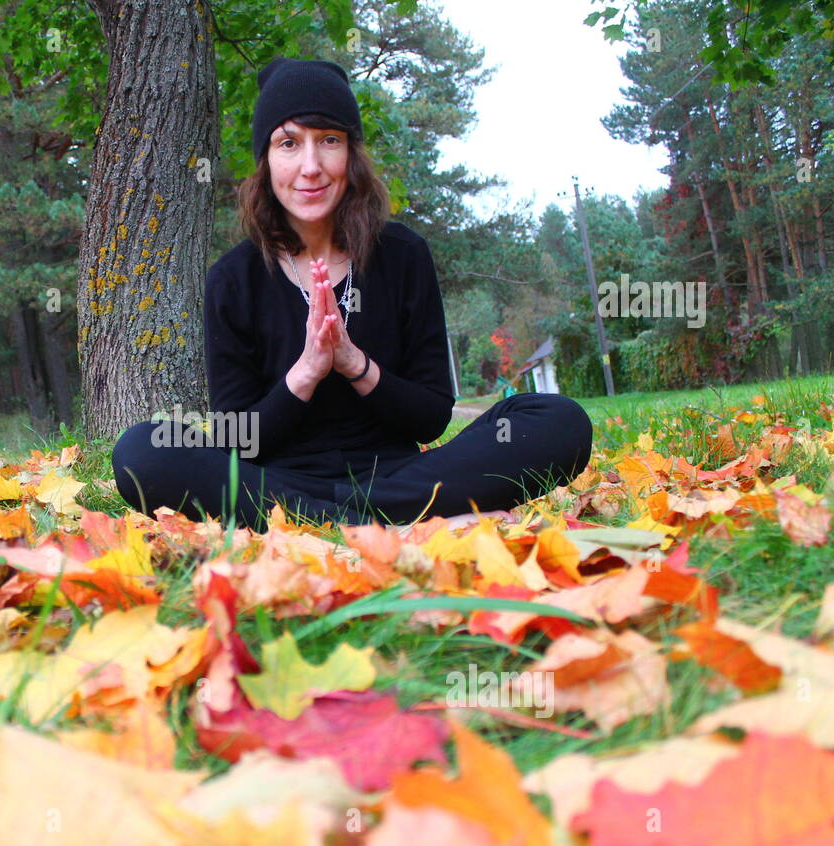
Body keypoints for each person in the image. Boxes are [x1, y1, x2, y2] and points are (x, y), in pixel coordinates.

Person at [112, 57, 593, 532]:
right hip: (276, 482)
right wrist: (307, 371)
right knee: (143, 450)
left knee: (558, 420)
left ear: (351, 154)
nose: (310, 166)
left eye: (329, 141)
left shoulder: (403, 254)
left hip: (400, 475)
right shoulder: (234, 277)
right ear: (266, 160)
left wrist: (354, 365)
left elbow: (429, 418)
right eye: (288, 143)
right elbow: (240, 440)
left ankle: (334, 519)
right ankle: (403, 521)